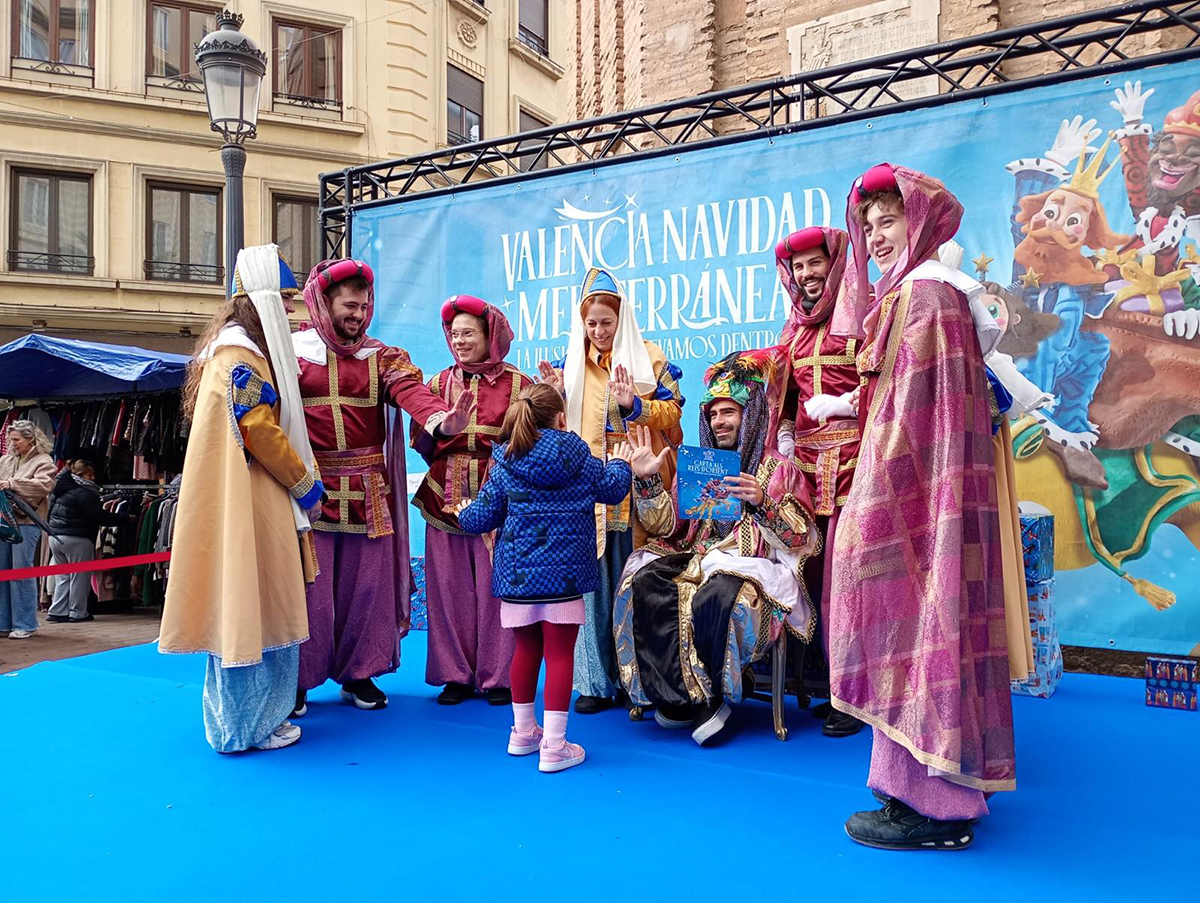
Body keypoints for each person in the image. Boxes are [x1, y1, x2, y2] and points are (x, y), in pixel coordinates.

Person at [828, 163, 1016, 850]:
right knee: (926, 631)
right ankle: (927, 788)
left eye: (890, 221)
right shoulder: (931, 294)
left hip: (914, 498)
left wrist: (868, 505)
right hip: (935, 495)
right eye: (869, 225)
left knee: (911, 630)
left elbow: (906, 422)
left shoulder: (925, 298)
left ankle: (932, 807)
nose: (877, 236)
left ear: (920, 221)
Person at [159, 245, 324, 753]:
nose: (291, 310)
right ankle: (250, 725)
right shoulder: (241, 357)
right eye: (285, 299)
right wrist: (305, 483)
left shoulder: (224, 353)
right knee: (253, 609)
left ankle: (241, 724)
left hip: (242, 500)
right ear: (262, 301)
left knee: (243, 610)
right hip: (254, 502)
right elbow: (260, 432)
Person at [292, 259, 474, 716]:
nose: (359, 314)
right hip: (309, 490)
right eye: (349, 305)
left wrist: (440, 419)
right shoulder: (291, 353)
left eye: (364, 305)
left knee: (366, 592)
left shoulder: (383, 357)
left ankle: (359, 673)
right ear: (324, 304)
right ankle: (296, 680)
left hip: (367, 491)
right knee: (310, 593)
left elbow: (412, 391)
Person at [614, 354, 819, 745]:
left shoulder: (778, 470)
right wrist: (647, 482)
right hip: (698, 557)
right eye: (713, 414)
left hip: (754, 565)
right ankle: (675, 694)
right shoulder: (698, 466)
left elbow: (800, 538)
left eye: (729, 412)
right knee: (647, 581)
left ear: (750, 414)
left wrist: (762, 502)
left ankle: (714, 698)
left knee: (719, 594)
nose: (719, 421)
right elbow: (667, 528)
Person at [456, 383, 635, 772]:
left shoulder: (507, 459)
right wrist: (622, 463)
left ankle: (522, 733)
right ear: (561, 418)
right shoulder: (579, 457)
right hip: (565, 577)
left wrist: (463, 510)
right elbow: (613, 489)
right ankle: (554, 746)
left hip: (518, 575)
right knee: (559, 655)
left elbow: (480, 518)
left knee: (525, 652)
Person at [537, 266, 684, 714]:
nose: (599, 331)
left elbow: (673, 416)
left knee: (633, 578)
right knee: (593, 583)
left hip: (637, 480)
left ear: (623, 320)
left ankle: (638, 680)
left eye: (607, 322)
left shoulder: (650, 357)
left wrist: (634, 404)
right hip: (589, 485)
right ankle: (595, 682)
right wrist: (553, 395)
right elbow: (551, 422)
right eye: (592, 323)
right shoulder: (569, 365)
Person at [767, 226, 864, 738]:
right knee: (813, 578)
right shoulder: (793, 330)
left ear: (835, 263)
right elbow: (784, 401)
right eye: (799, 266)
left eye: (815, 263)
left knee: (851, 584)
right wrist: (784, 435)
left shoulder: (866, 313)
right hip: (806, 476)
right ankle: (827, 684)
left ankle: (857, 694)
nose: (807, 274)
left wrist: (848, 406)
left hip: (858, 468)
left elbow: (889, 386)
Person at [414, 295, 532, 705]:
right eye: (454, 334)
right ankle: (455, 675)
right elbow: (422, 442)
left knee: (498, 586)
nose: (459, 341)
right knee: (448, 588)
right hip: (443, 498)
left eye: (468, 333)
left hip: (500, 499)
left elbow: (530, 444)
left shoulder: (521, 386)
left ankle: (500, 676)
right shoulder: (436, 385)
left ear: (490, 336)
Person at [46, 459, 126, 623]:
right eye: (90, 475)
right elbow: (98, 516)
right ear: (80, 475)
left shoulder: (59, 488)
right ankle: (78, 612)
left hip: (55, 536)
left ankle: (58, 611)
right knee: (80, 577)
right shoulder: (85, 493)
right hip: (77, 538)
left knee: (63, 576)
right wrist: (123, 518)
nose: (93, 478)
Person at [0, 420, 55, 639]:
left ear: (30, 438)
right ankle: (4, 622)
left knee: (21, 572)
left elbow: (44, 486)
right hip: (4, 520)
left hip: (27, 522)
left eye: (17, 440)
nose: (12, 443)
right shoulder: (5, 460)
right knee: (4, 572)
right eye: (10, 439)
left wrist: (13, 484)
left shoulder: (44, 461)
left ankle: (25, 623)